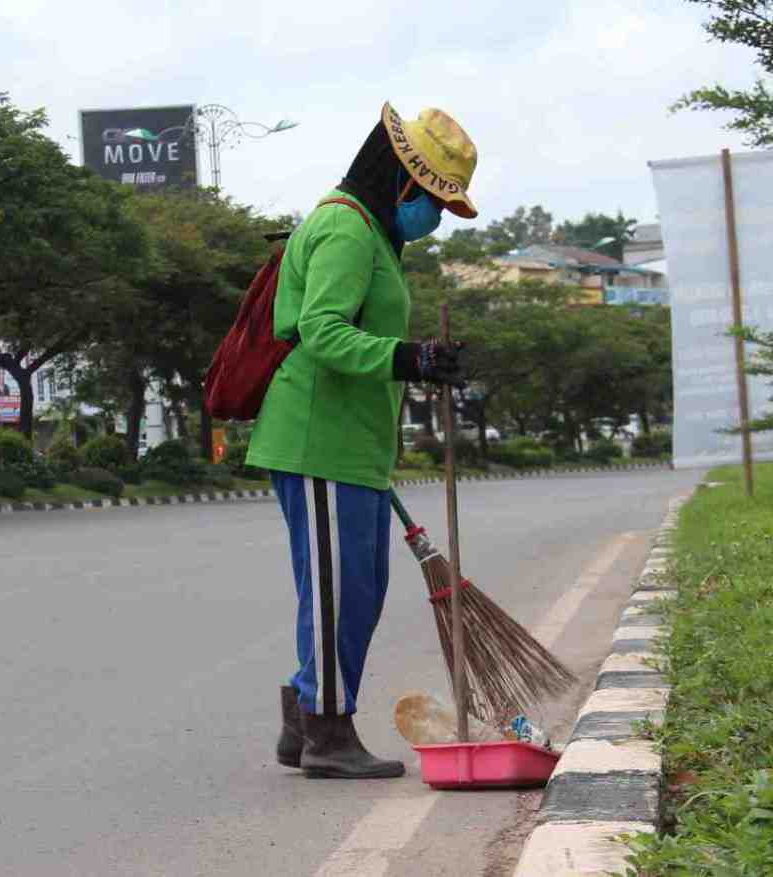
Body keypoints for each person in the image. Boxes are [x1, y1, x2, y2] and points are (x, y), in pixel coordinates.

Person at [246, 102, 478, 779]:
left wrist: (424, 360)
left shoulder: (376, 237)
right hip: (316, 441)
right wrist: (409, 358)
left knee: (360, 587)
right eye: (432, 200)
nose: (434, 218)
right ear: (403, 183)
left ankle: (305, 716)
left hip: (354, 447)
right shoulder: (346, 229)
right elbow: (320, 331)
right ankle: (325, 729)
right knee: (336, 592)